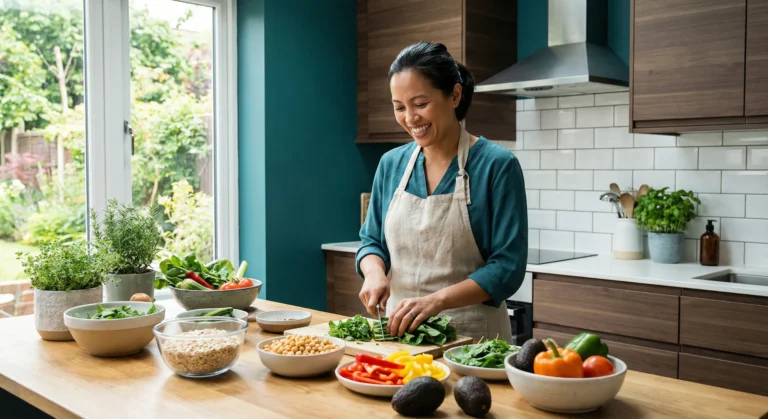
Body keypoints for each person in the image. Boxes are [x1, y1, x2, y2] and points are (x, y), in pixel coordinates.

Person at [356, 41, 528, 344]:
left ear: (455, 95)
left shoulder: (497, 166)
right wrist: (374, 274)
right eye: (399, 107)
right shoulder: (391, 164)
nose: (410, 118)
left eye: (420, 104)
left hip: (475, 341)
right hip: (400, 336)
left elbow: (507, 268)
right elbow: (371, 242)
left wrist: (435, 301)